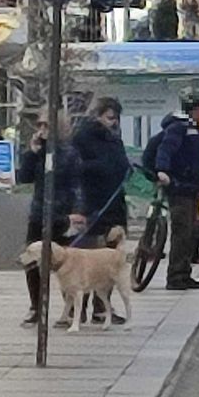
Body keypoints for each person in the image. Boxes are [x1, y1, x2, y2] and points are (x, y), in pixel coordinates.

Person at [17, 119, 83, 326]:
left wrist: (77, 211)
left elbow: (76, 184)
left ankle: (71, 308)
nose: (42, 131)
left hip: (62, 213)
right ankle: (36, 306)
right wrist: (31, 152)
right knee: (31, 259)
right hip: (39, 213)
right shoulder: (38, 152)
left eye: (46, 126)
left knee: (67, 262)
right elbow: (24, 177)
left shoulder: (68, 153)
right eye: (39, 126)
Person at [72, 97, 131, 323]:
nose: (113, 122)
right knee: (87, 259)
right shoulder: (83, 137)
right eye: (109, 117)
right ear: (97, 115)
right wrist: (103, 166)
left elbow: (120, 163)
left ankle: (102, 306)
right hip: (93, 202)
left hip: (114, 202)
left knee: (109, 260)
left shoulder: (114, 138)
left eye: (115, 118)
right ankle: (78, 308)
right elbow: (76, 167)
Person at [156, 94, 199, 291]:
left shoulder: (194, 128)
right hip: (180, 188)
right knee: (182, 232)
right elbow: (166, 149)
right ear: (193, 108)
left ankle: (184, 273)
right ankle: (176, 276)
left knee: (190, 234)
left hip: (191, 188)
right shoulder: (178, 127)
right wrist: (162, 170)